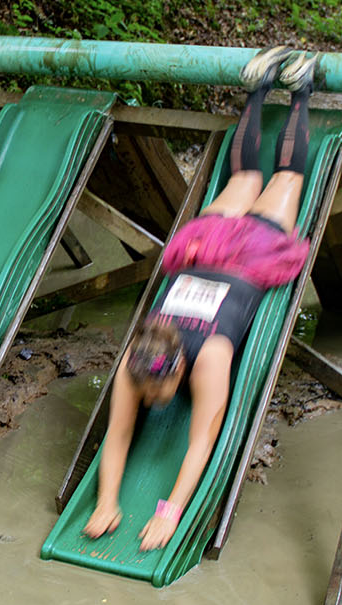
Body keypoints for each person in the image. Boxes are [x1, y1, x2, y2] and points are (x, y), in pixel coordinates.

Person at [83, 48, 316, 552]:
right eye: (150, 396)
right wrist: (106, 501)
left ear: (177, 369)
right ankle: (258, 89)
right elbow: (117, 435)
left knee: (283, 179)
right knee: (244, 180)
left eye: (154, 395)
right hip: (204, 248)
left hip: (247, 251)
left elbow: (202, 442)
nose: (150, 403)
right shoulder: (137, 359)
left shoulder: (209, 358)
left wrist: (171, 512)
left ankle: (300, 91)